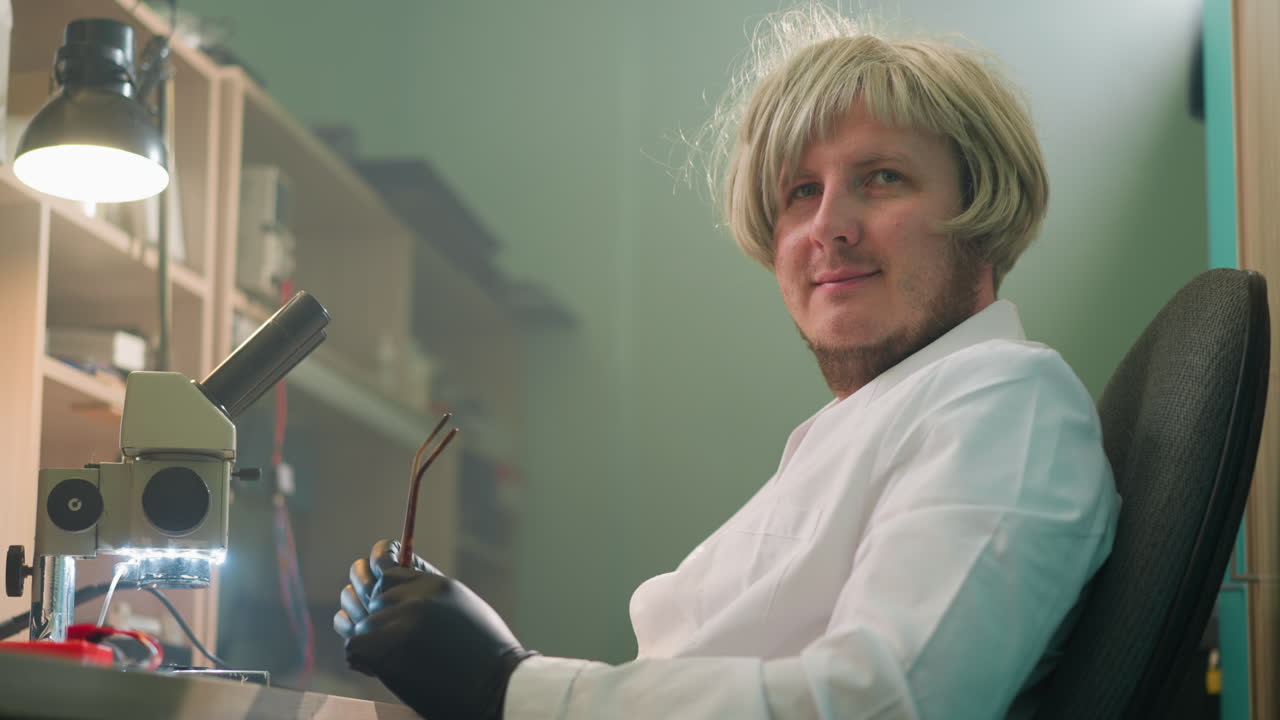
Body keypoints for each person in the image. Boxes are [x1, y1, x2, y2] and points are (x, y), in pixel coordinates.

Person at [332, 5, 1120, 719]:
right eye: (801, 192)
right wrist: (461, 659)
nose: (829, 227)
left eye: (882, 178)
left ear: (982, 209)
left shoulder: (1005, 400)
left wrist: (500, 682)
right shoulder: (875, 423)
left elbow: (890, 700)